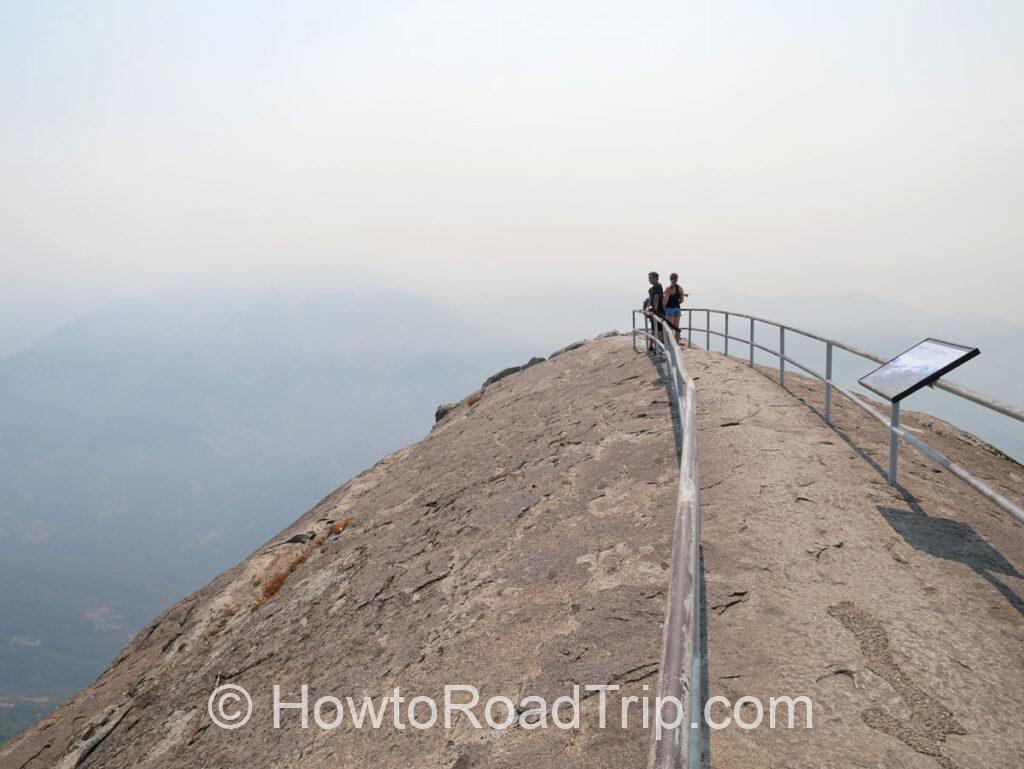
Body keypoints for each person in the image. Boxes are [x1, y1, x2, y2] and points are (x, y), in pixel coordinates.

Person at [664, 273, 686, 344]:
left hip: (669, 309)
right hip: (677, 309)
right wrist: (677, 304)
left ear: (670, 279)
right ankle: (677, 343)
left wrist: (663, 307)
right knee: (677, 327)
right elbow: (682, 300)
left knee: (670, 328)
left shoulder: (668, 289)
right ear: (677, 279)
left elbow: (665, 302)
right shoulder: (680, 288)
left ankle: (671, 344)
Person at [646, 272, 664, 352]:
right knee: (654, 330)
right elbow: (650, 300)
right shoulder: (653, 288)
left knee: (659, 331)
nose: (649, 280)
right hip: (655, 312)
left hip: (658, 312)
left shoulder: (657, 286)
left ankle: (660, 348)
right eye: (649, 278)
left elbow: (656, 299)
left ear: (656, 278)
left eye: (650, 278)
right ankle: (652, 347)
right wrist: (647, 309)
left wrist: (654, 311)